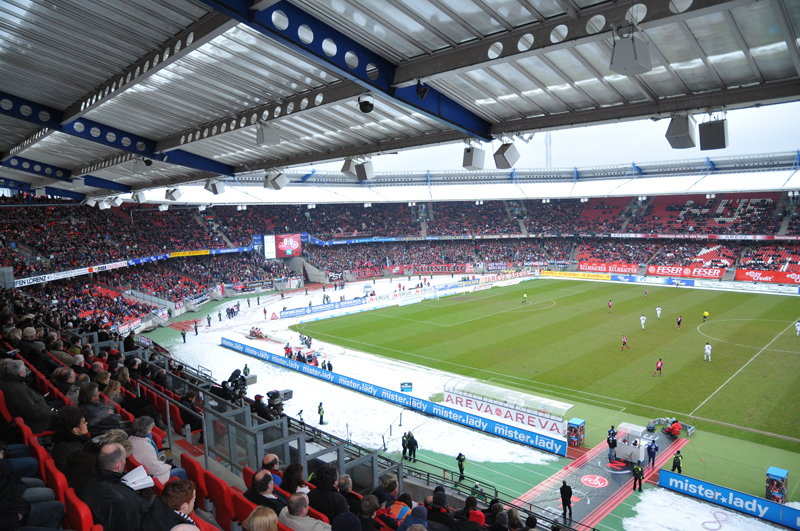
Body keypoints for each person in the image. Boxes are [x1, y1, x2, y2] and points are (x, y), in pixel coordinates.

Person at [78, 443, 150, 531]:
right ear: (118, 465)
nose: (125, 461)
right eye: (124, 459)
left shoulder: (88, 479)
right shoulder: (122, 501)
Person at [0, 359, 56, 434]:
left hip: (36, 412)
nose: (27, 371)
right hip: (36, 423)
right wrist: (55, 413)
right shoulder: (17, 390)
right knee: (68, 417)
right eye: (25, 369)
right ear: (21, 373)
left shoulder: (9, 382)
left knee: (58, 403)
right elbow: (34, 413)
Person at [129, 416, 188, 483]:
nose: (151, 432)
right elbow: (155, 470)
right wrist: (168, 466)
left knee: (176, 466)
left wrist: (165, 464)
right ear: (146, 430)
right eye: (151, 430)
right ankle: (187, 492)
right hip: (152, 478)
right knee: (181, 471)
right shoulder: (146, 448)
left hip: (142, 472)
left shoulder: (131, 438)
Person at [52, 405, 91, 473]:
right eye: (83, 422)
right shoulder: (77, 451)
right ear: (75, 430)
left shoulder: (63, 439)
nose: (86, 423)